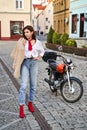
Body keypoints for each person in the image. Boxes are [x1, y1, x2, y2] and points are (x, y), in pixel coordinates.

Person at [11, 25, 44, 118]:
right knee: (23, 85)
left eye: (27, 32)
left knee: (33, 85)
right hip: (24, 63)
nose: (26, 34)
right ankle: (21, 107)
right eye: (24, 32)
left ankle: (30, 103)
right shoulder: (22, 41)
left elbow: (42, 51)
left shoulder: (37, 42)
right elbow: (17, 52)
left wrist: (38, 57)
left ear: (32, 32)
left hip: (33, 63)